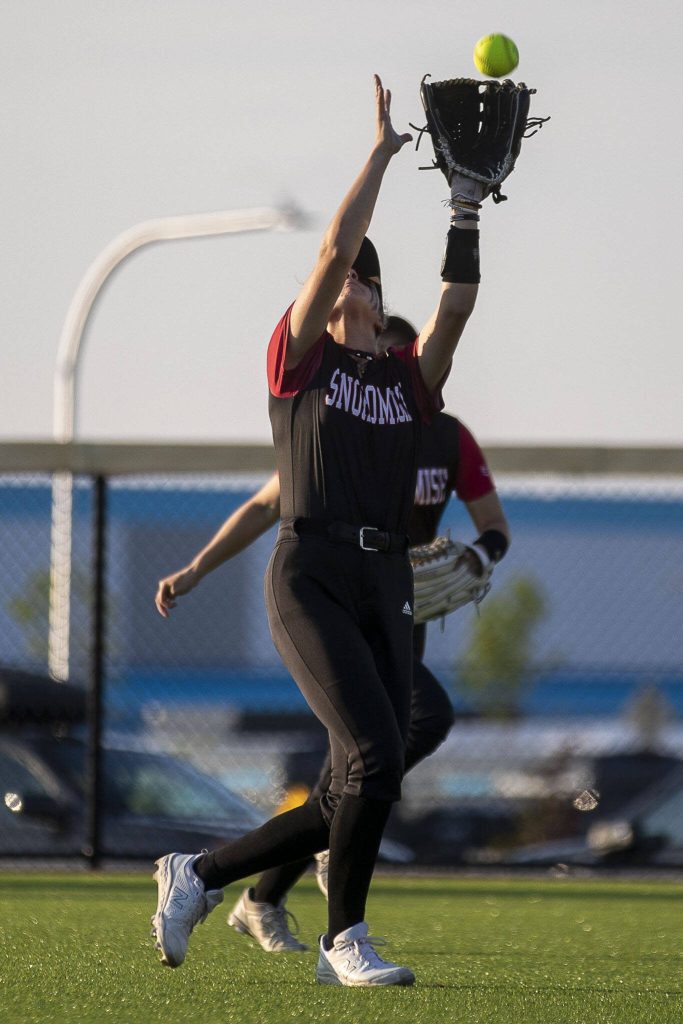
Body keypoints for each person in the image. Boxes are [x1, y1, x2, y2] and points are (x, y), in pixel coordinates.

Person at [151, 74, 483, 987]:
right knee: (375, 757)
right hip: (312, 572)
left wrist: (464, 209)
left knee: (354, 782)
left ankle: (203, 873)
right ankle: (346, 940)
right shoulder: (301, 363)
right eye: (336, 280)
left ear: (376, 301)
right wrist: (378, 154)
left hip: (388, 585)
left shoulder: (406, 381)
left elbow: (455, 307)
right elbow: (337, 243)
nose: (341, 288)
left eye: (359, 283)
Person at [155, 316, 510, 955]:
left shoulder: (450, 438)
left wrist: (479, 557)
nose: (397, 371)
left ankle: (255, 892)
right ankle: (291, 901)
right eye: (389, 358)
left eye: (409, 359)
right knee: (378, 755)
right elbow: (268, 504)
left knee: (355, 772)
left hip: (400, 608)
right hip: (338, 606)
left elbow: (495, 527)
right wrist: (197, 568)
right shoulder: (352, 420)